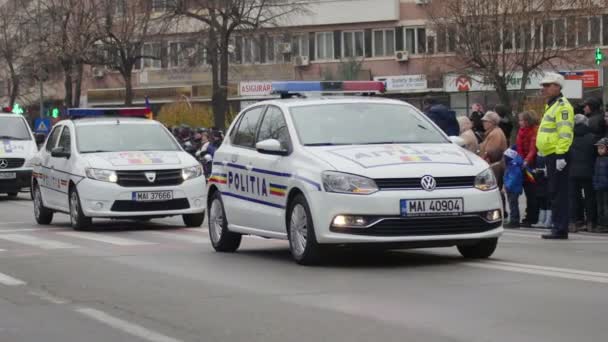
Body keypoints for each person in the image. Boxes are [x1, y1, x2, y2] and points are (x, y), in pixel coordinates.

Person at [536, 72, 575, 239]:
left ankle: (560, 228)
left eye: (547, 85)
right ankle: (557, 226)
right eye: (543, 85)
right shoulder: (551, 105)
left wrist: (561, 155)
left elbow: (565, 133)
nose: (544, 88)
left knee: (559, 192)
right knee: (554, 191)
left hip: (558, 155)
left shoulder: (562, 106)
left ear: (557, 87)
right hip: (551, 154)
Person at [568, 114, 597, 232]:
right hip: (588, 172)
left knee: (574, 198)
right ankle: (590, 223)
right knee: (590, 198)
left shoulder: (570, 137)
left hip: (572, 172)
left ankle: (573, 223)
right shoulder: (592, 137)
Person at [516, 111, 539, 227]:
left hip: (532, 164)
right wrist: (520, 160)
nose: (520, 122)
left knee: (532, 192)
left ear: (527, 121)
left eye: (522, 120)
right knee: (528, 191)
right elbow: (519, 147)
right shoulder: (521, 132)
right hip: (524, 164)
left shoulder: (535, 131)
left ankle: (532, 216)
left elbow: (533, 149)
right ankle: (529, 215)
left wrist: (526, 161)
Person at [483, 147, 507, 219]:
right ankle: (504, 213)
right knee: (502, 200)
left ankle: (499, 214)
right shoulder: (500, 166)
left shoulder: (493, 168)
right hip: (500, 189)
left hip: (496, 190)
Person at [503, 147, 524, 228]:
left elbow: (513, 178)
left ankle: (514, 221)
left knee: (513, 204)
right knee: (513, 204)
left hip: (513, 188)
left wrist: (508, 186)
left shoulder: (513, 165)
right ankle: (514, 220)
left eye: (505, 156)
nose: (504, 158)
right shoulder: (512, 164)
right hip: (513, 188)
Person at [593, 137, 608, 233]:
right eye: (598, 148)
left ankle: (605, 224)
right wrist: (595, 183)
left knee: (606, 206)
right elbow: (595, 173)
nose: (599, 150)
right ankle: (600, 224)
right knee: (599, 206)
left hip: (606, 187)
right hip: (599, 186)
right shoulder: (598, 159)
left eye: (602, 148)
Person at [532, 155, 552, 228]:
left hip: (547, 181)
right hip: (540, 181)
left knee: (548, 201)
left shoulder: (549, 155)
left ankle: (548, 221)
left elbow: (550, 169)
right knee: (542, 201)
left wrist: (542, 171)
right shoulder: (538, 155)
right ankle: (541, 220)